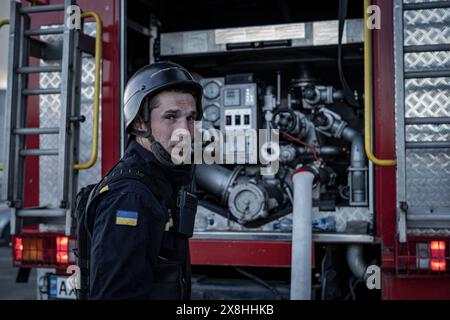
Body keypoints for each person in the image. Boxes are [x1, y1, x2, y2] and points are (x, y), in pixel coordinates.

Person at [88, 61, 203, 299]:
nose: (185, 131)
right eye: (171, 117)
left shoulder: (161, 180)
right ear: (140, 122)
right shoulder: (130, 197)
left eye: (190, 118)